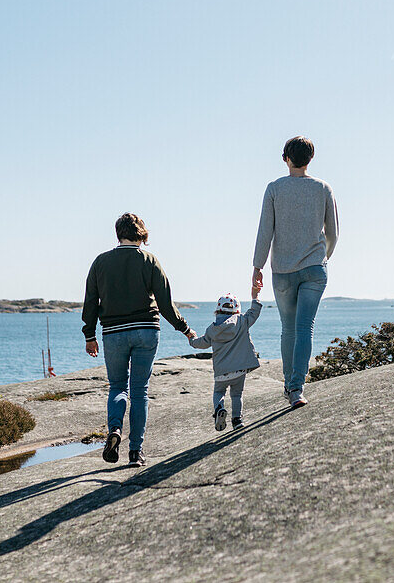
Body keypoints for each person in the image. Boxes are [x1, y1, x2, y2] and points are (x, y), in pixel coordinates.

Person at [82, 212, 196, 467]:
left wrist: (89, 335)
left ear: (118, 234)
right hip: (146, 330)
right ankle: (136, 452)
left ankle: (114, 431)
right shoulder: (150, 260)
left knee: (117, 387)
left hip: (113, 333)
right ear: (142, 235)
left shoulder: (100, 262)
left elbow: (91, 301)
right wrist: (185, 329)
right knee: (139, 390)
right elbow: (166, 303)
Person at [253, 136, 339, 408]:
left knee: (288, 329)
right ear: (310, 159)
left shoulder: (274, 189)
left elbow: (265, 232)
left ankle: (291, 386)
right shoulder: (323, 188)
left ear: (285, 158)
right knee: (305, 329)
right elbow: (333, 233)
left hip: (283, 271)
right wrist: (322, 258)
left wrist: (257, 267)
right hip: (314, 269)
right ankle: (296, 388)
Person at [188, 288, 262, 431]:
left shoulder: (212, 329)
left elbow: (201, 343)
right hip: (239, 370)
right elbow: (254, 312)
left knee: (218, 393)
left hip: (221, 372)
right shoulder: (242, 321)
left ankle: (219, 409)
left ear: (217, 311)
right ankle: (237, 420)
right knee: (237, 394)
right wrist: (255, 297)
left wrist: (191, 339)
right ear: (237, 310)